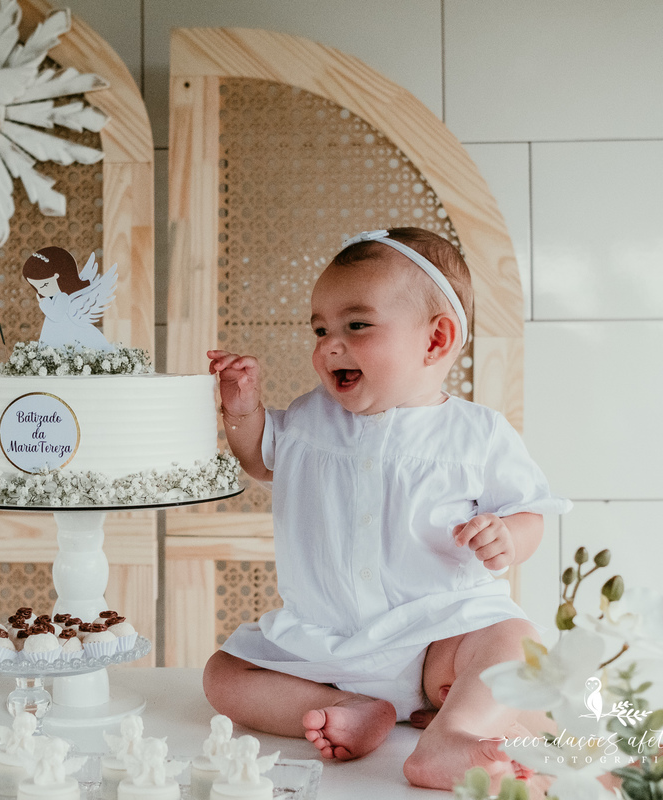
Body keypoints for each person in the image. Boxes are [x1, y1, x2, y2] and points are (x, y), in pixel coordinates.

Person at [203, 227, 571, 790]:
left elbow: (530, 512)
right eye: (321, 328)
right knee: (223, 676)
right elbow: (260, 459)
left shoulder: (476, 434)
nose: (330, 344)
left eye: (357, 325)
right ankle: (356, 707)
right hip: (324, 641)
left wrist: (508, 536)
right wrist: (243, 411)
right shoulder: (306, 420)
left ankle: (453, 734)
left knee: (515, 640)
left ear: (435, 340)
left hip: (438, 642)